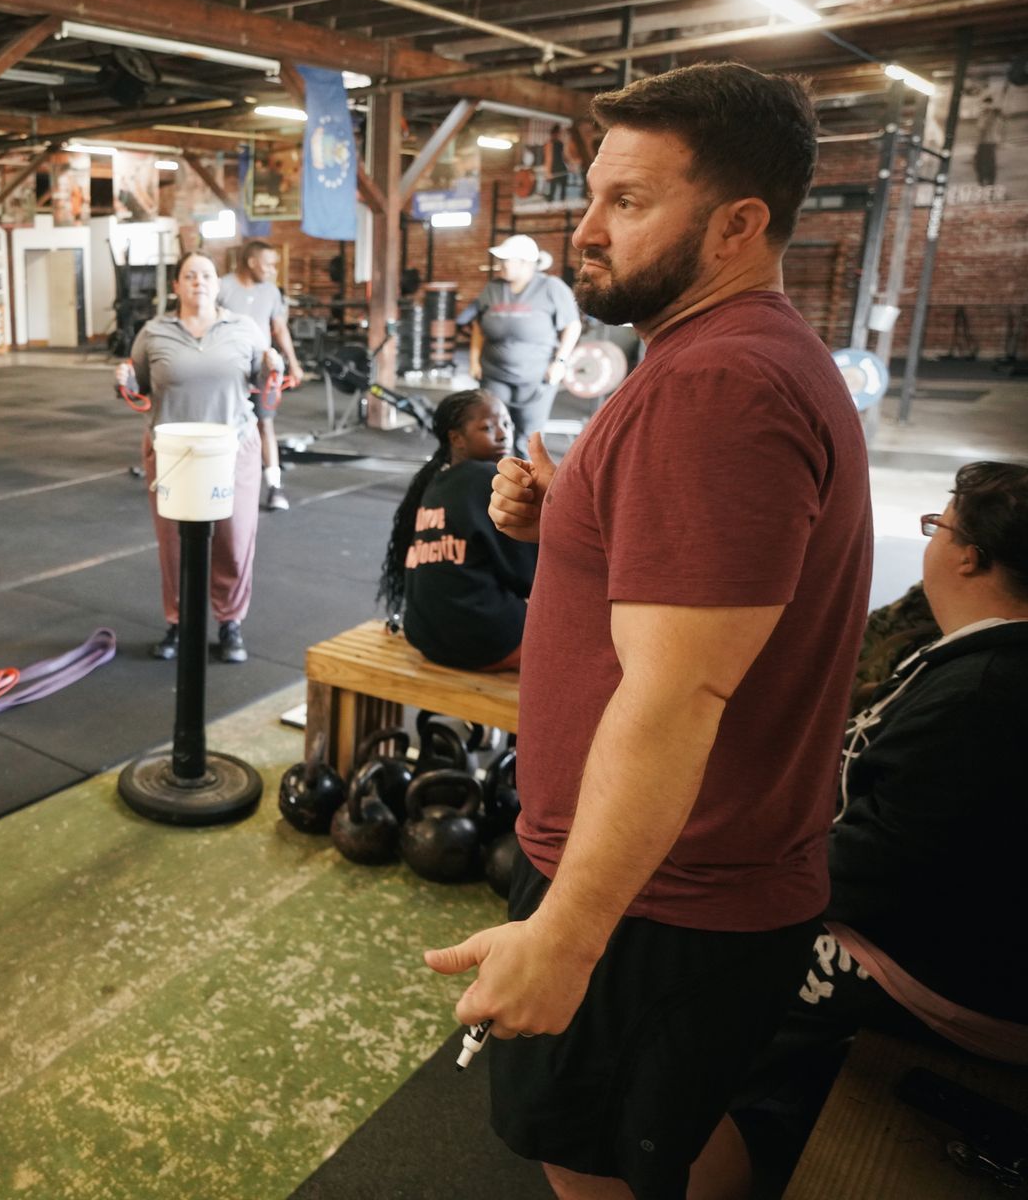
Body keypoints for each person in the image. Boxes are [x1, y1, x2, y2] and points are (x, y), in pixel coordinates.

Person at [425, 62, 873, 1200]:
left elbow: (679, 693)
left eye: (629, 201)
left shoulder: (715, 386)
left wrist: (570, 933)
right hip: (692, 880)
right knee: (657, 1130)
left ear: (738, 223)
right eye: (592, 196)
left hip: (652, 895)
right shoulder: (735, 356)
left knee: (589, 1155)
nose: (585, 230)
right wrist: (571, 508)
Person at [735, 463, 1028, 1179]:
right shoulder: (974, 659)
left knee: (691, 993)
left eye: (940, 524)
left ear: (968, 555)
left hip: (940, 971)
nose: (930, 539)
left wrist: (744, 873)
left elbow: (873, 867)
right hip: (916, 924)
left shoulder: (985, 695)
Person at [118, 251, 282, 664]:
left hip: (232, 447)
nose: (199, 282)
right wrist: (121, 380)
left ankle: (230, 623)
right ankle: (178, 622)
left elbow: (263, 385)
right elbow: (137, 384)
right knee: (173, 544)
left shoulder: (242, 329)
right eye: (190, 276)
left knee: (234, 537)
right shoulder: (154, 332)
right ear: (176, 286)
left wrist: (272, 367)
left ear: (217, 283)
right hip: (173, 452)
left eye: (206, 275)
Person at [377, 389, 535, 672]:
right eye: (487, 427)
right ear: (456, 439)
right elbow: (528, 575)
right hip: (484, 642)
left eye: (507, 424)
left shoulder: (435, 482)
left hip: (427, 637)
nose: (503, 435)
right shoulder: (488, 480)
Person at [456, 234, 581, 448]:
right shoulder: (493, 288)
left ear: (526, 264)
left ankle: (527, 480)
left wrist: (560, 362)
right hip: (494, 373)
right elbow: (478, 326)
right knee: (493, 432)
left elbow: (572, 325)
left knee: (528, 438)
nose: (501, 265)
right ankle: (496, 479)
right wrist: (474, 360)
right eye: (501, 260)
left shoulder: (551, 288)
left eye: (507, 260)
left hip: (536, 377)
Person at [217, 239, 302, 511]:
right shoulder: (223, 287)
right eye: (268, 264)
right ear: (252, 262)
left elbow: (279, 329)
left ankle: (275, 487)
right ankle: (220, 485)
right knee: (224, 428)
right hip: (229, 372)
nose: (272, 270)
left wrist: (294, 362)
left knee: (265, 425)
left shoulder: (272, 293)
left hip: (263, 371)